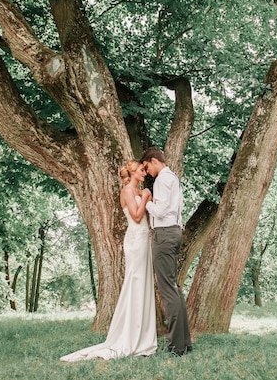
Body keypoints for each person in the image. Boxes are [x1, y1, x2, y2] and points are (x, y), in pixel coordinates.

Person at [60, 160, 157, 361]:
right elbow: (137, 218)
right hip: (136, 239)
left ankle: (144, 335)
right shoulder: (128, 192)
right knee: (135, 283)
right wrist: (146, 196)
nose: (144, 172)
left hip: (144, 239)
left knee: (143, 283)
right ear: (132, 174)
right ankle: (131, 334)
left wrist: (146, 196)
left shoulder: (138, 192)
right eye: (141, 170)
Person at [140, 147, 192, 356]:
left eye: (147, 167)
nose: (147, 173)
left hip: (164, 234)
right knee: (174, 289)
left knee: (168, 291)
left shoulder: (162, 179)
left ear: (154, 161)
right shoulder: (174, 178)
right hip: (175, 232)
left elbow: (160, 211)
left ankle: (176, 347)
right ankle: (184, 342)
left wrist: (147, 202)